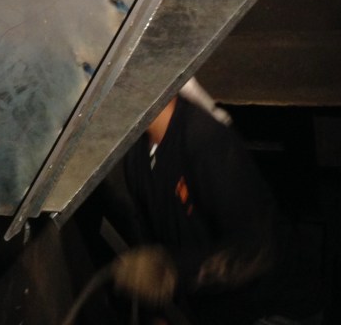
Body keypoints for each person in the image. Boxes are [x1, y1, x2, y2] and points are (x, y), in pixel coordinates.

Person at [117, 92, 323, 325]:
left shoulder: (203, 137)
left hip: (273, 308)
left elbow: (255, 251)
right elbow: (155, 246)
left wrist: (170, 271)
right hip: (216, 310)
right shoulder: (135, 160)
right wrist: (159, 311)